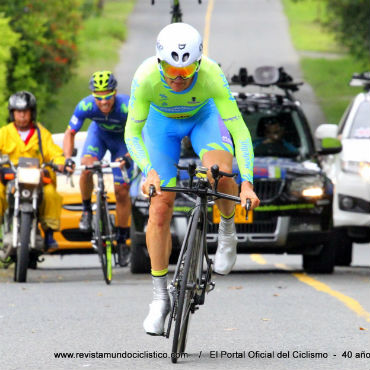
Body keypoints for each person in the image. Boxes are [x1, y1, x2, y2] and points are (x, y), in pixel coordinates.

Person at [125, 23, 260, 335]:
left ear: (198, 63)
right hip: (161, 126)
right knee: (160, 205)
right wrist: (149, 171)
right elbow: (132, 133)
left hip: (204, 119)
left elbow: (239, 132)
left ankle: (227, 231)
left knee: (221, 171)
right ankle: (160, 298)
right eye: (171, 69)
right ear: (160, 62)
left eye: (187, 71)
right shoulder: (145, 77)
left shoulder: (211, 74)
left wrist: (247, 182)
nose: (178, 77)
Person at [63, 71, 132, 267]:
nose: (103, 102)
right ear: (93, 96)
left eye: (108, 97)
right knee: (86, 168)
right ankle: (86, 211)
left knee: (122, 191)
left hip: (124, 142)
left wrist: (128, 157)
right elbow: (70, 133)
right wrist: (68, 159)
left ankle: (122, 240)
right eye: (99, 98)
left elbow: (143, 134)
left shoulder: (127, 106)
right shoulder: (85, 105)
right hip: (99, 137)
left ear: (115, 93)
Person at [0, 91, 66, 249]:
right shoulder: (4, 133)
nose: (22, 116)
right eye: (18, 112)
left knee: (51, 193)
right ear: (12, 113)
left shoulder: (42, 134)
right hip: (10, 177)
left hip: (36, 179)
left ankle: (49, 234)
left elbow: (55, 152)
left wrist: (60, 162)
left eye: (25, 112)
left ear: (32, 113)